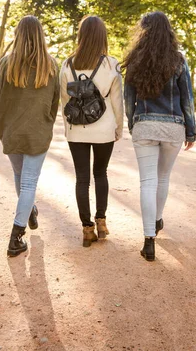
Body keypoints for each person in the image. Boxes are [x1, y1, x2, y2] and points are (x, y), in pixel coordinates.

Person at [122, 11, 196, 262]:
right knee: (163, 178)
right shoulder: (178, 60)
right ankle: (156, 220)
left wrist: (134, 124)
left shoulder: (135, 60)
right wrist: (191, 130)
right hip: (173, 127)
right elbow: (187, 98)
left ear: (143, 31)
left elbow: (128, 99)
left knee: (147, 182)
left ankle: (148, 239)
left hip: (145, 125)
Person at [0, 16, 60, 257]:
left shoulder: (5, 64)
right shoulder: (51, 65)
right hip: (38, 131)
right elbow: (55, 103)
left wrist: (4, 126)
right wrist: (46, 123)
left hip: (11, 130)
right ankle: (16, 236)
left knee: (20, 176)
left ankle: (29, 210)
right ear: (40, 36)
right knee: (29, 182)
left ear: (17, 35)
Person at [60, 16, 123, 247]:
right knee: (101, 174)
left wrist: (68, 128)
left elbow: (65, 101)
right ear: (102, 37)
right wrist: (119, 127)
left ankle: (87, 228)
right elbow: (117, 101)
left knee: (82, 179)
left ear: (81, 36)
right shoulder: (111, 64)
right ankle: (102, 221)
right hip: (104, 128)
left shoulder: (68, 65)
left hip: (77, 130)